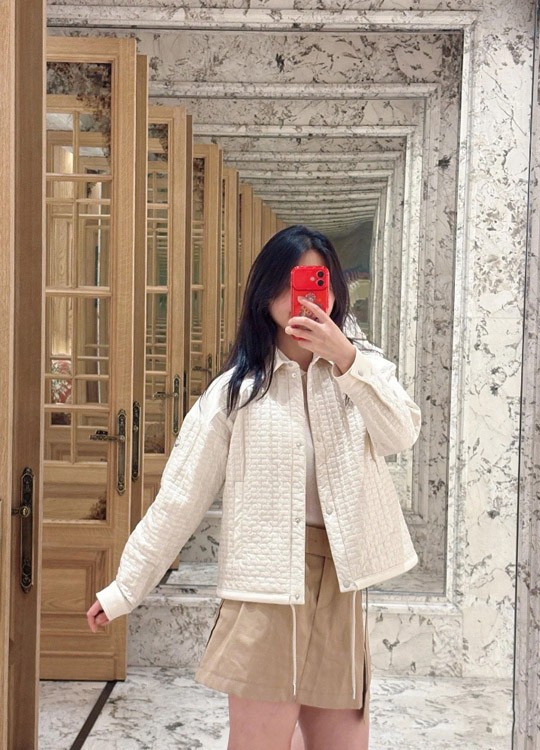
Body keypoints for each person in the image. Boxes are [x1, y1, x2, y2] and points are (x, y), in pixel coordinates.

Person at [87, 224, 422, 750]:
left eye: (317, 283)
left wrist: (347, 359)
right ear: (265, 295)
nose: (305, 298)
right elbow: (180, 497)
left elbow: (401, 434)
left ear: (334, 291)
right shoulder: (237, 392)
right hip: (264, 588)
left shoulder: (361, 372)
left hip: (340, 585)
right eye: (290, 284)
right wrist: (125, 588)